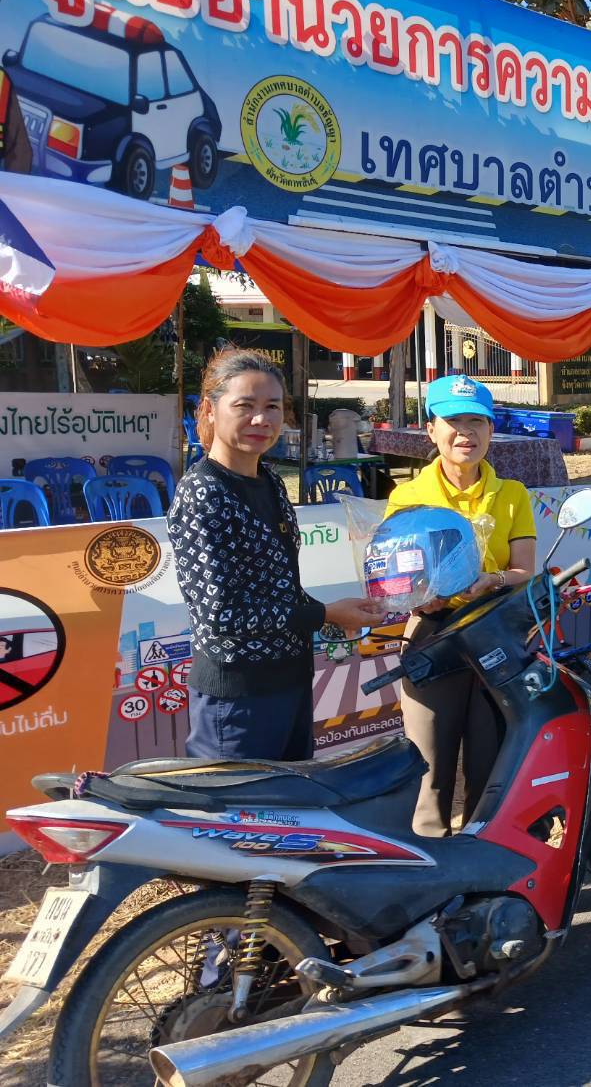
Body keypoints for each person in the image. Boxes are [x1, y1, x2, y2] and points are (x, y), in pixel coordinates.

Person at [167, 349, 381, 761]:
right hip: (238, 699)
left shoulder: (270, 481)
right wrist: (326, 614)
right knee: (240, 802)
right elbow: (223, 615)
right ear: (210, 410)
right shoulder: (203, 494)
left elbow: (280, 588)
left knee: (290, 800)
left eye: (272, 407)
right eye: (244, 406)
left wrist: (334, 616)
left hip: (290, 681)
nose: (261, 420)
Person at [382, 373, 536, 837]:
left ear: (491, 430)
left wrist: (493, 579)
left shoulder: (512, 494)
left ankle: (481, 855)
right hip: (433, 637)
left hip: (495, 637)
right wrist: (418, 596)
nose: (466, 432)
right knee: (428, 768)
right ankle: (431, 862)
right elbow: (393, 574)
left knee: (491, 763)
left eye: (477, 421)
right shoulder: (408, 497)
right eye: (453, 421)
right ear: (431, 430)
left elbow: (524, 570)